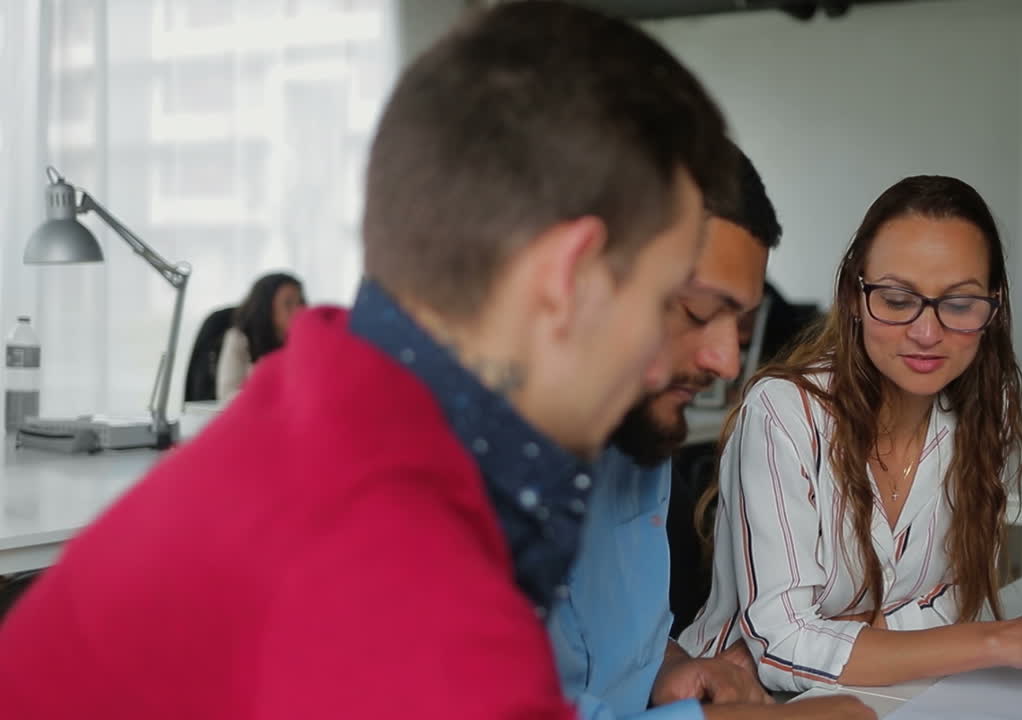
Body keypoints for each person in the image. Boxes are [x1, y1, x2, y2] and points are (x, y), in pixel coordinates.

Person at [0, 3, 738, 717]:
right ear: (567, 280)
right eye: (672, 302)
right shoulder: (399, 583)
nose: (706, 356)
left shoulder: (328, 424)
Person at [679, 175, 1022, 691]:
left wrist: (836, 636)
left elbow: (956, 604)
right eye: (896, 300)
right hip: (735, 699)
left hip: (890, 695)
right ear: (854, 294)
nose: (927, 332)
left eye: (958, 304)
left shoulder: (987, 410)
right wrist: (1004, 639)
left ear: (993, 307)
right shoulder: (785, 412)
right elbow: (783, 649)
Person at [548, 146, 872, 720]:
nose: (727, 362)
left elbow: (600, 652)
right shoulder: (437, 478)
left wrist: (667, 667)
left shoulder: (640, 435)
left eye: (743, 326)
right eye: (698, 312)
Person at [216, 271, 307, 401]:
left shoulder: (306, 341)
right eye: (288, 303)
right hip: (255, 416)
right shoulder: (239, 339)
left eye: (300, 302)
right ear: (266, 307)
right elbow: (227, 395)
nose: (298, 310)